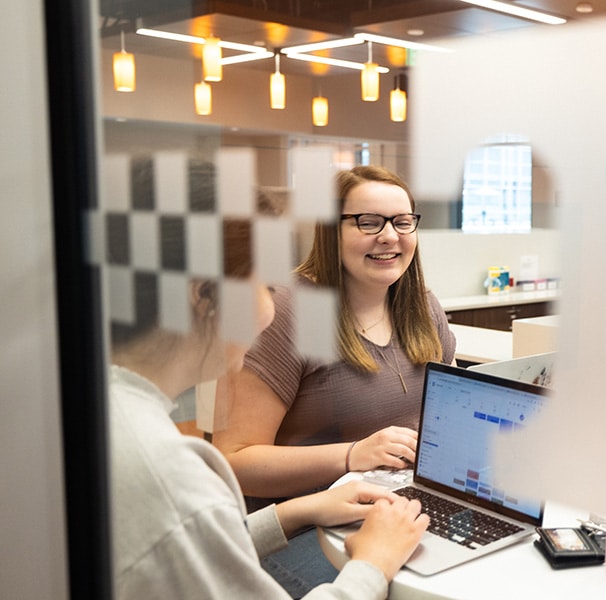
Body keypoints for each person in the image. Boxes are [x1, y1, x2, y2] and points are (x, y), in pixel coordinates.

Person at [108, 178, 430, 598]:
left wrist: (300, 510)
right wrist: (372, 563)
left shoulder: (115, 418)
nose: (269, 311)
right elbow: (197, 522)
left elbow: (208, 534)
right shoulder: (169, 472)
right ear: (205, 296)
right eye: (264, 287)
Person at [213, 165, 456, 595]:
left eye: (402, 222)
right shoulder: (282, 311)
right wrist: (352, 455)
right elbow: (233, 462)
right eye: (368, 221)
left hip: (395, 507)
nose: (389, 236)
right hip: (299, 526)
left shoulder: (423, 306)